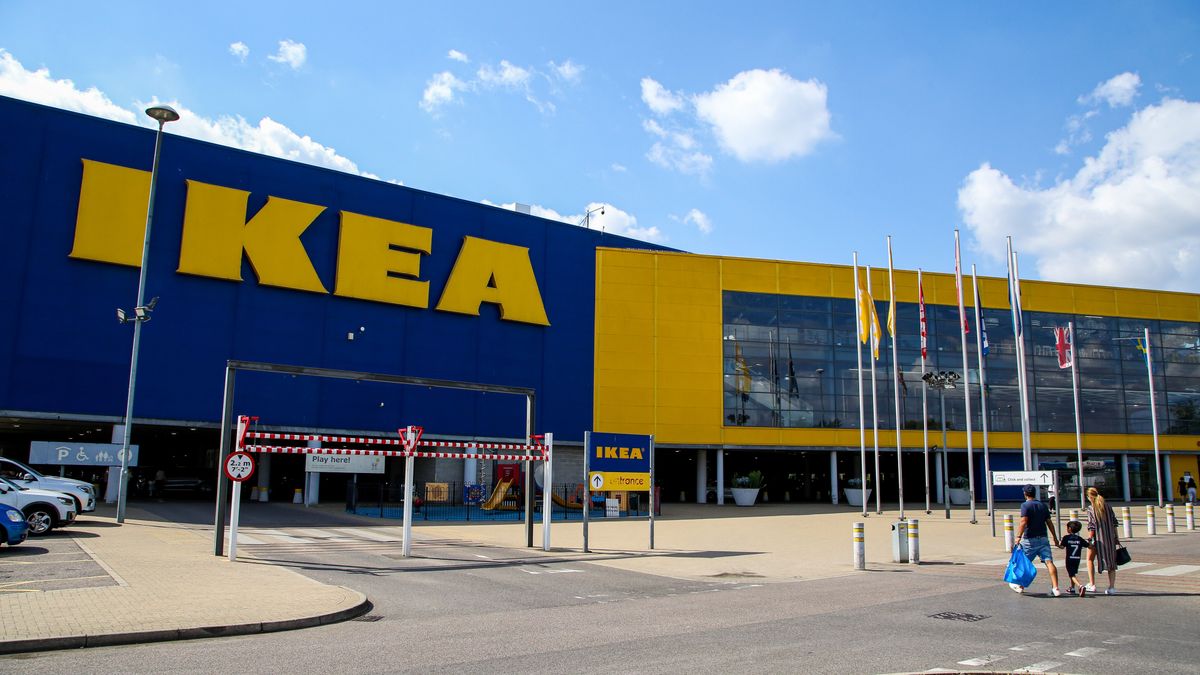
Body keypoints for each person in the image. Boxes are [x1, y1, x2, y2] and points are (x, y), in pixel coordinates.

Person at [1011, 484, 1063, 596]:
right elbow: (1049, 522)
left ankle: (1020, 586)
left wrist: (1018, 536)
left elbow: (1023, 522)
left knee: (1024, 563)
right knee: (1049, 562)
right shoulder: (1043, 505)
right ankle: (1056, 588)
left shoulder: (1025, 505)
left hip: (1030, 539)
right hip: (1043, 538)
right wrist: (1054, 537)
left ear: (1025, 494)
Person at [1084, 486, 1121, 595]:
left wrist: (1090, 538)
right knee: (1111, 563)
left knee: (1090, 559)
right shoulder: (1109, 507)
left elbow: (1092, 526)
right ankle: (1112, 587)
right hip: (1109, 539)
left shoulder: (1091, 509)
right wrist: (1116, 538)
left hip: (1097, 540)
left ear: (1090, 497)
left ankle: (1092, 584)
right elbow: (1114, 523)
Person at [1058, 520, 1091, 596]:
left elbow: (1062, 547)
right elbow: (1089, 546)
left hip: (1069, 559)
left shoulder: (1066, 538)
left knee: (1071, 574)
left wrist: (1057, 544)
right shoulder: (1080, 539)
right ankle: (1072, 588)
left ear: (1069, 529)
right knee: (1073, 572)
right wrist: (1090, 541)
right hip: (1077, 558)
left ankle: (1080, 586)